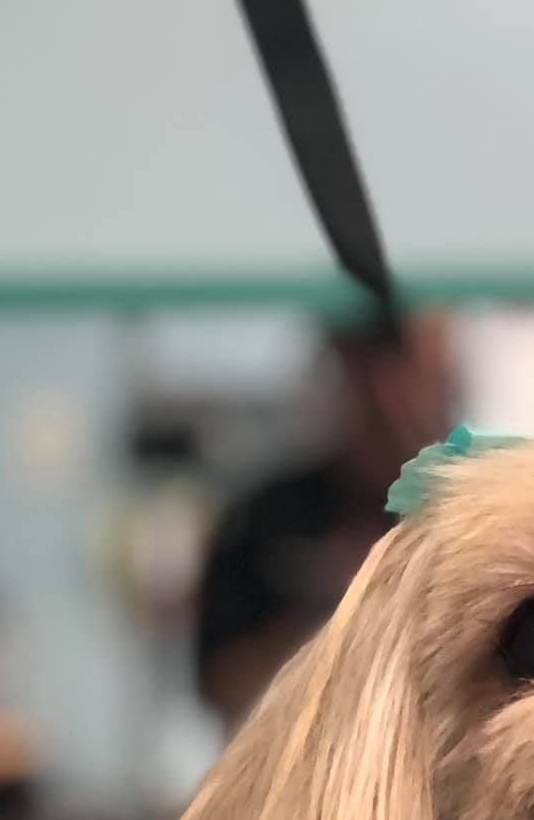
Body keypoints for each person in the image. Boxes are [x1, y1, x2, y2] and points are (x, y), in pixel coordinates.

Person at [195, 311, 455, 729]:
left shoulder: (458, 510)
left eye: (440, 382)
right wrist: (332, 612)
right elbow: (221, 688)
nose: (410, 403)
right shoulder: (263, 519)